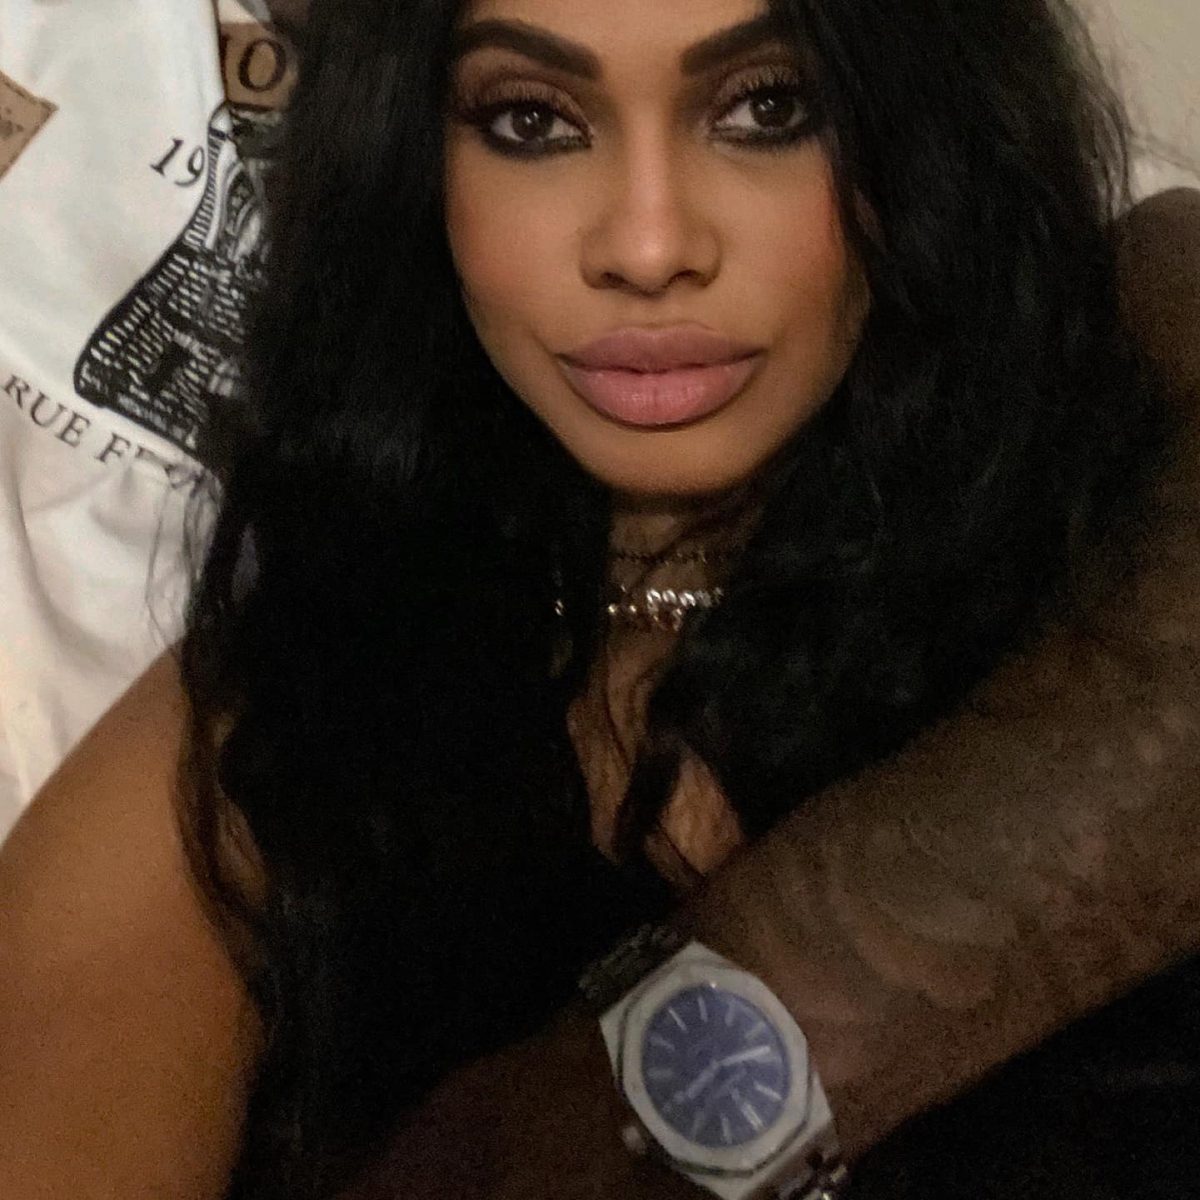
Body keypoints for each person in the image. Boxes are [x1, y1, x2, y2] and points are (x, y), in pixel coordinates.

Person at [0, 2, 1197, 1200]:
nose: (648, 244)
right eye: (532, 121)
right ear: (417, 161)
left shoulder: (1116, 521)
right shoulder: (275, 724)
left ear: (918, 132)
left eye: (767, 108)